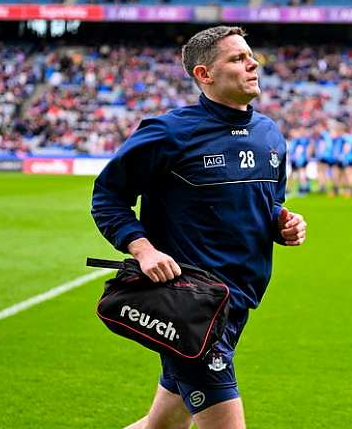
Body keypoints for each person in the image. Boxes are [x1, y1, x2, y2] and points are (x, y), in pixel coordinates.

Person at [91, 25, 307, 429]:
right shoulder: (169, 133)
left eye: (250, 55)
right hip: (191, 305)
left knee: (162, 426)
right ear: (204, 75)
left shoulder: (270, 134)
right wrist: (144, 249)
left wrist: (283, 223)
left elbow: (271, 202)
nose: (253, 63)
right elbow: (107, 196)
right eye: (237, 58)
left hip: (239, 303)